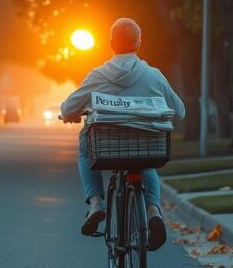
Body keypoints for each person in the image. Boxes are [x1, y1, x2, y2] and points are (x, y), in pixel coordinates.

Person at [60, 18, 186, 251]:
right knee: (145, 159)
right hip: (142, 145)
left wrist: (70, 114)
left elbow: (68, 108)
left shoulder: (97, 75)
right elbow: (179, 111)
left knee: (84, 145)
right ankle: (153, 210)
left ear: (111, 44)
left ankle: (96, 203)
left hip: (106, 146)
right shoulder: (154, 75)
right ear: (138, 43)